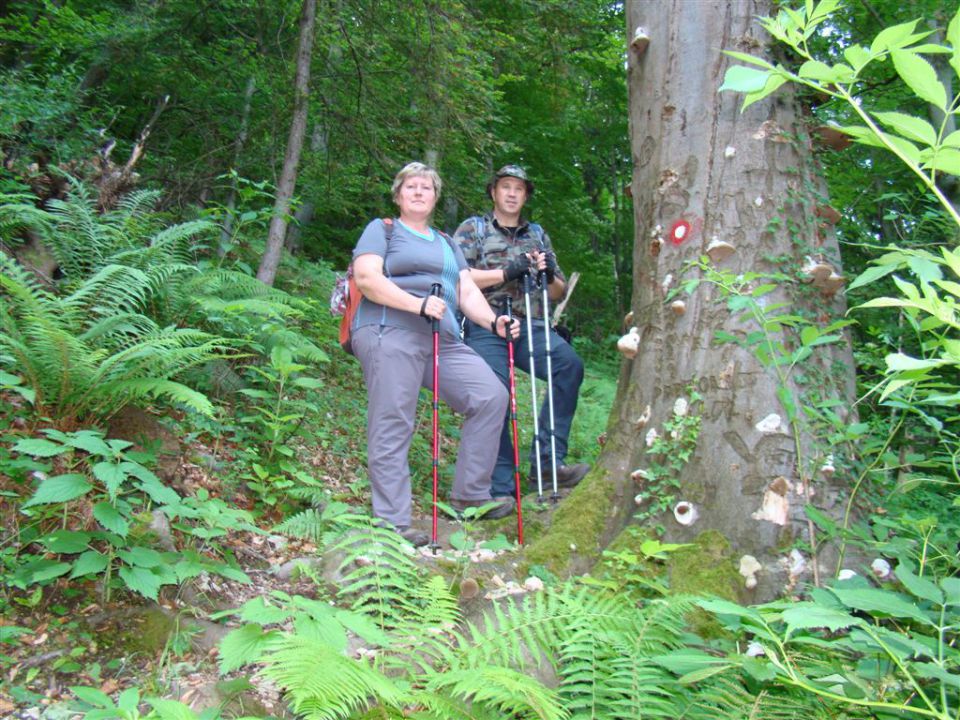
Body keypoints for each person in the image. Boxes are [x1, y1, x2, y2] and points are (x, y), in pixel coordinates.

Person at [351, 161, 520, 547]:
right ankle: (392, 523)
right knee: (394, 419)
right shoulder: (383, 230)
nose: (418, 192)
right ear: (398, 194)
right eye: (410, 186)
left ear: (435, 196)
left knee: (491, 396)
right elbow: (367, 278)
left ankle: (470, 496)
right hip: (388, 330)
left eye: (426, 187)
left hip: (441, 339)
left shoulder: (446, 243)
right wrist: (416, 305)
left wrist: (494, 322)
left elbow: (466, 291)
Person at [453, 164, 590, 500]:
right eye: (506, 187)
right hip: (487, 322)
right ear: (494, 192)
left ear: (526, 195)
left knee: (568, 365)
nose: (512, 193)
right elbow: (457, 276)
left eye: (519, 188)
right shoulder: (475, 228)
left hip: (532, 322)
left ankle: (547, 462)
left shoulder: (538, 234)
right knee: (495, 394)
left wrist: (546, 274)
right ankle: (500, 485)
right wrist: (506, 272)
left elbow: (556, 290)